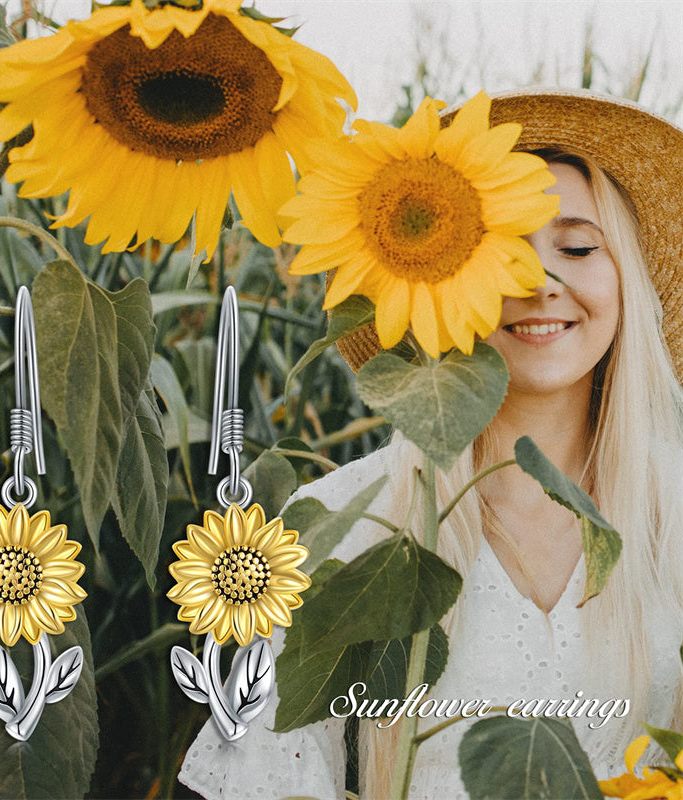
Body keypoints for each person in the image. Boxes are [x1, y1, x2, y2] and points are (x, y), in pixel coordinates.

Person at [178, 89, 683, 799]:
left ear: (627, 277)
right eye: (499, 253)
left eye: (578, 247)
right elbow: (269, 770)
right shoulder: (342, 520)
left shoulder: (675, 514)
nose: (540, 283)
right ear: (436, 275)